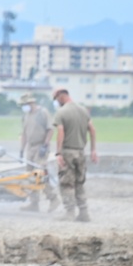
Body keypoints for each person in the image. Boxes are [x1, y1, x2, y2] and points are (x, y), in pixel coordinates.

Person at [52, 88, 98, 222]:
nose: (56, 103)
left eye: (56, 99)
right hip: (80, 152)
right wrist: (93, 150)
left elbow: (60, 132)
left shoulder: (61, 112)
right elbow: (92, 130)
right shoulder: (83, 110)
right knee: (79, 183)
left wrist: (59, 153)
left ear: (61, 96)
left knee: (66, 183)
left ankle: (69, 213)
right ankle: (84, 213)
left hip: (68, 152)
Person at [18, 93, 60, 213]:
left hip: (40, 147)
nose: (24, 107)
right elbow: (25, 134)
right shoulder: (26, 116)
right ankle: (34, 203)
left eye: (25, 104)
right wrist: (22, 149)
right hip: (30, 148)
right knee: (30, 176)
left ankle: (53, 198)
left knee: (39, 175)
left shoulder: (43, 113)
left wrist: (45, 145)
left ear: (31, 103)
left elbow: (50, 129)